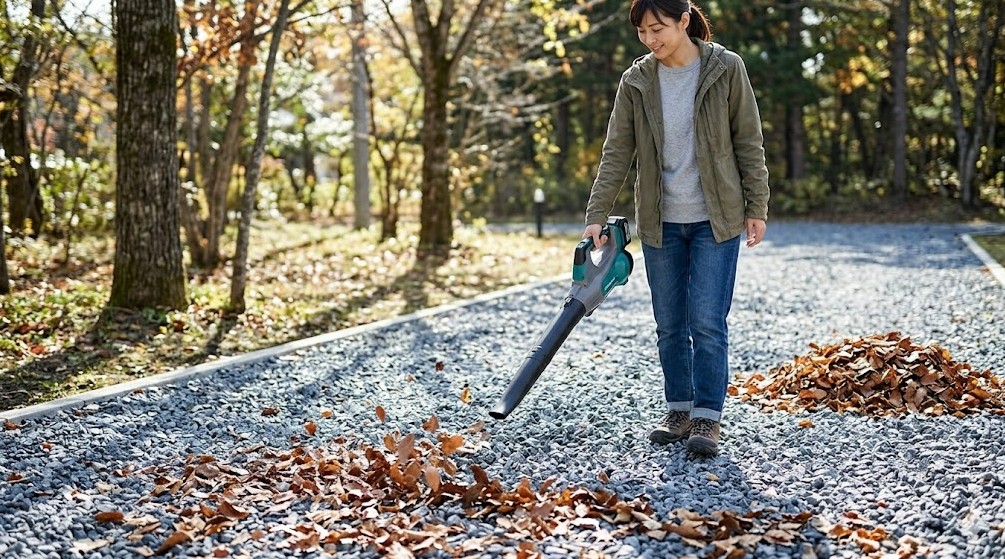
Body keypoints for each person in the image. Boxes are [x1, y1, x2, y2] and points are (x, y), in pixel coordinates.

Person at [582, 0, 769, 456]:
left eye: (658, 28)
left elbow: (748, 138)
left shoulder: (726, 68)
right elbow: (616, 152)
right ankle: (679, 410)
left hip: (716, 217)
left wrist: (757, 203)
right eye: (643, 32)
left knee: (706, 322)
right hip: (661, 221)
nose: (650, 39)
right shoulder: (637, 80)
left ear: (684, 21)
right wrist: (595, 215)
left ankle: (707, 418)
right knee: (669, 324)